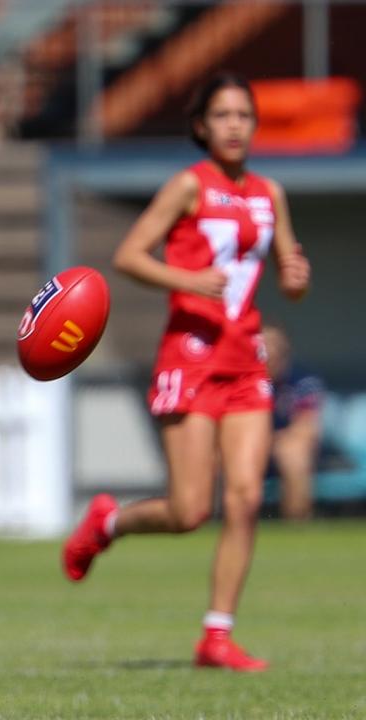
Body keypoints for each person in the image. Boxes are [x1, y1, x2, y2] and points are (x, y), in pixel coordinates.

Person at [64, 72, 311, 672]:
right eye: (221, 115)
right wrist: (188, 280)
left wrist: (296, 274)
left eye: (243, 116)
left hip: (245, 359)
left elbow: (287, 267)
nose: (234, 126)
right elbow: (128, 256)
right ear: (201, 126)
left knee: (248, 497)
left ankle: (217, 636)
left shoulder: (268, 193)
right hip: (191, 356)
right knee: (190, 510)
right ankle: (110, 520)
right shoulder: (187, 187)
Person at [263, 324, 325, 521]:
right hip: (246, 447)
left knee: (292, 454)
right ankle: (215, 525)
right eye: (263, 344)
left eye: (274, 345)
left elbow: (306, 427)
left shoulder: (302, 381)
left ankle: (296, 526)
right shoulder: (240, 379)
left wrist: (269, 443)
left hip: (283, 445)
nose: (269, 350)